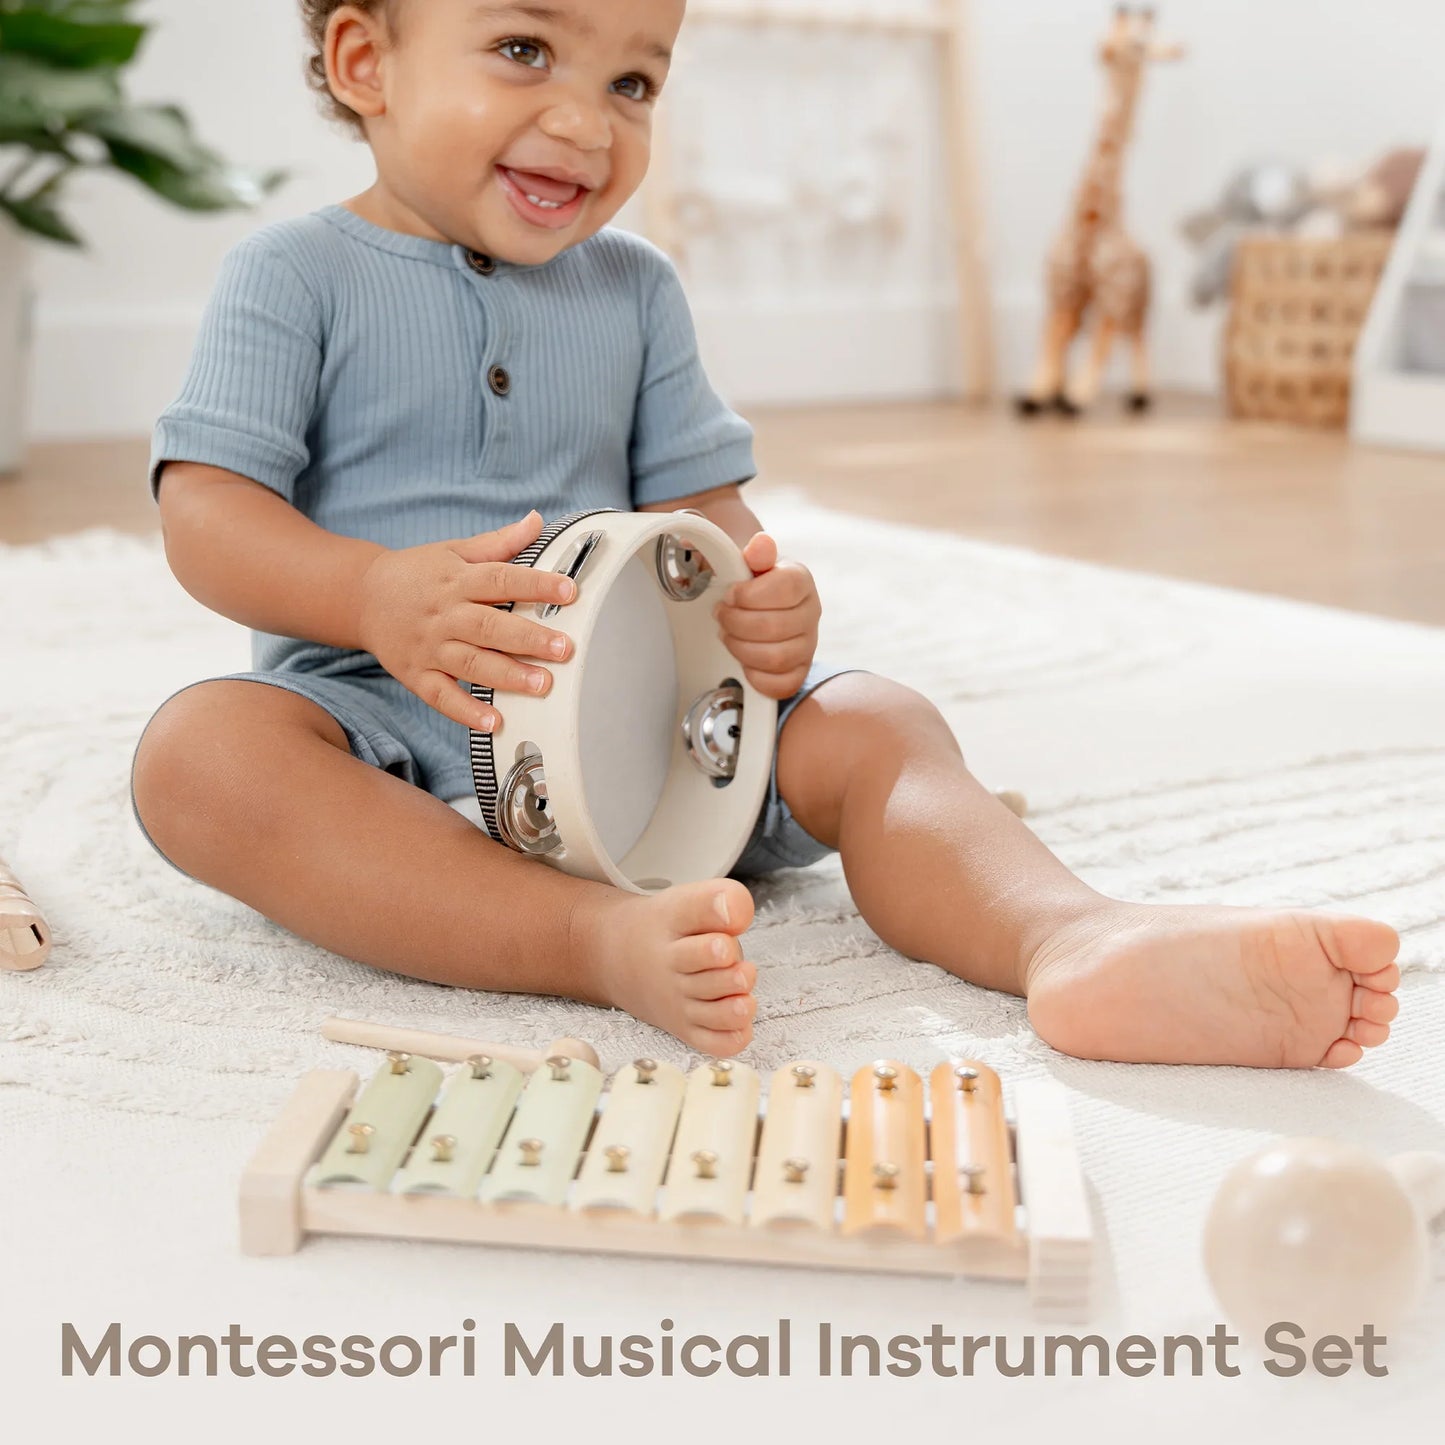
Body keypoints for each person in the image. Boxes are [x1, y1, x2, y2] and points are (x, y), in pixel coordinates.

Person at [131, 0, 1400, 1067]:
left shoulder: (634, 289)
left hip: (671, 750)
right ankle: (584, 942)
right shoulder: (290, 274)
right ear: (366, 64)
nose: (584, 121)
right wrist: (366, 598)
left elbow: (705, 517)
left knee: (875, 721)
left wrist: (755, 598)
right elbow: (207, 511)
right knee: (202, 754)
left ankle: (1066, 936)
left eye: (632, 80)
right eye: (525, 50)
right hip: (396, 729)